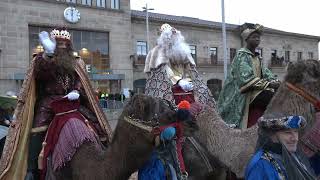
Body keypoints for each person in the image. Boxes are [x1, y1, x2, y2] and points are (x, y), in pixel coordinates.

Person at [0, 27, 112, 179]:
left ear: (69, 45)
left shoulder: (77, 61)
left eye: (64, 44)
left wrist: (77, 91)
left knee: (94, 122)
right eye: (58, 43)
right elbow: (40, 73)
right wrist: (48, 55)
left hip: (72, 101)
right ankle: (31, 169)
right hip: (49, 102)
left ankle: (103, 155)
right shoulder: (42, 59)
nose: (62, 46)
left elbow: (81, 80)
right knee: (37, 128)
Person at [218, 23, 280, 128]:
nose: (257, 39)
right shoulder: (242, 55)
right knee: (270, 98)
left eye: (258, 37)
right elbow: (245, 78)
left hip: (255, 90)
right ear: (246, 39)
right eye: (254, 37)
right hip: (243, 92)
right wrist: (269, 84)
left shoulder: (256, 57)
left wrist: (275, 80)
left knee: (277, 95)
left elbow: (265, 72)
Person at [144, 23, 215, 112]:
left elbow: (189, 68)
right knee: (162, 96)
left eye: (175, 35)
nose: (174, 37)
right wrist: (178, 80)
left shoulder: (182, 49)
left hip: (186, 84)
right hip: (169, 83)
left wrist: (189, 79)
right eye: (171, 35)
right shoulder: (158, 52)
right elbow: (164, 69)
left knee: (203, 90)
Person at [245, 114, 317, 180]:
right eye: (287, 133)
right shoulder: (260, 165)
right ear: (272, 135)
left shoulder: (294, 158)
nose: (295, 138)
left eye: (295, 132)